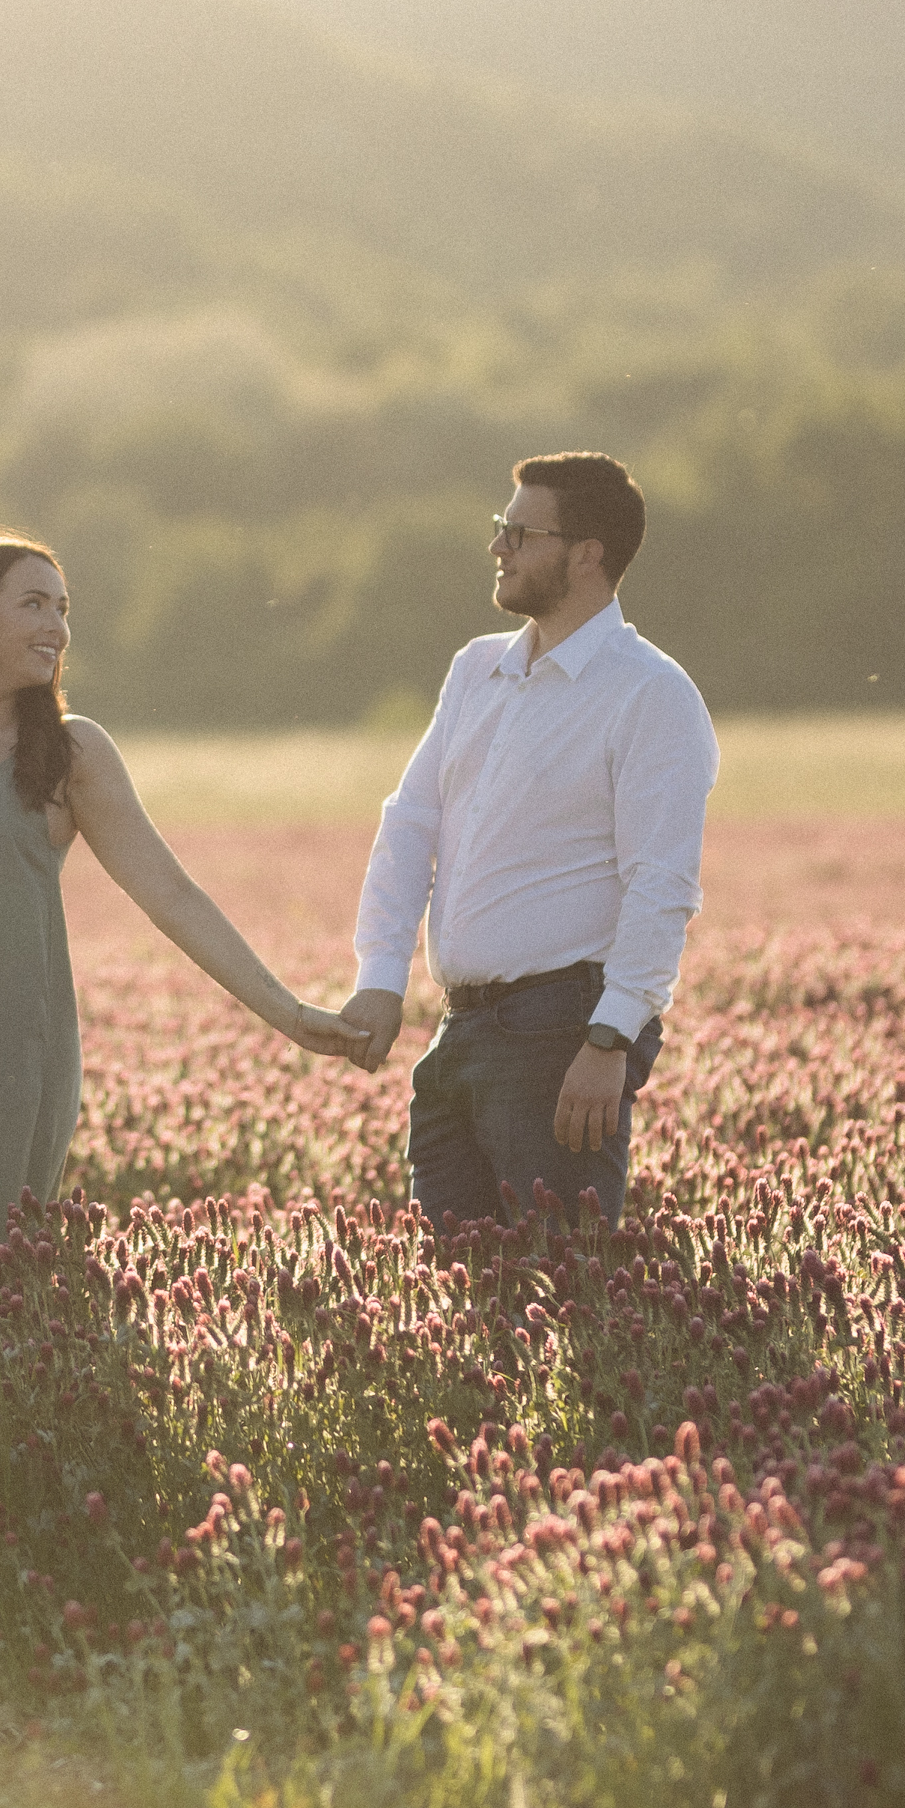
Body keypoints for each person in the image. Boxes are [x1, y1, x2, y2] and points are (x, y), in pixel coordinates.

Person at [0, 532, 369, 1216]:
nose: (57, 626)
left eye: (62, 607)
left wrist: (288, 1013)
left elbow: (173, 896)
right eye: (33, 604)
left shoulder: (72, 750)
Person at [338, 452, 716, 1228]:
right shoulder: (477, 669)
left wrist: (609, 1041)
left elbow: (660, 882)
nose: (498, 547)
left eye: (519, 531)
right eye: (499, 528)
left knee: (564, 1288)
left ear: (587, 554)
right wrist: (380, 972)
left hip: (562, 1033)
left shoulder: (651, 693)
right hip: (460, 1030)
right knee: (455, 1298)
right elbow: (411, 822)